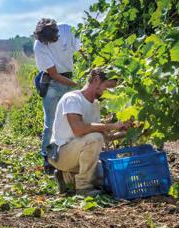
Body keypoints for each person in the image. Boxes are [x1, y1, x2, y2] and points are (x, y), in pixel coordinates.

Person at [48, 68, 131, 196]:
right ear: (96, 80)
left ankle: (66, 177)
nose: (108, 92)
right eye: (107, 87)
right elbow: (79, 130)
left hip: (76, 152)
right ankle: (83, 187)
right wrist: (111, 125)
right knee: (95, 138)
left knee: (104, 176)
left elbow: (104, 137)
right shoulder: (72, 99)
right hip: (61, 153)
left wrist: (124, 132)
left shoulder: (95, 105)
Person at [33, 18, 81, 173]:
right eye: (45, 41)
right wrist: (76, 86)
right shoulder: (39, 45)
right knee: (51, 123)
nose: (48, 43)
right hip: (53, 82)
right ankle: (47, 159)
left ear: (57, 32)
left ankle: (67, 157)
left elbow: (82, 49)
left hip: (69, 77)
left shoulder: (67, 30)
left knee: (72, 120)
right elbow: (53, 73)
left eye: (51, 40)